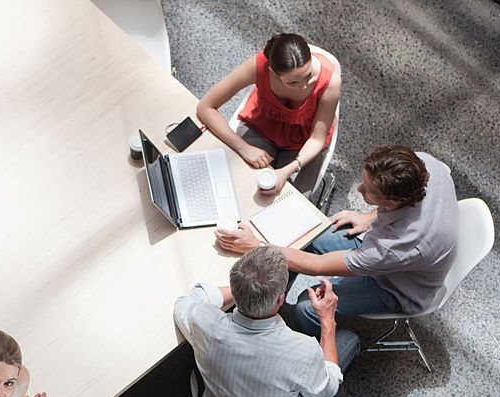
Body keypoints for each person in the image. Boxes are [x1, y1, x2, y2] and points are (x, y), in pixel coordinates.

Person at [216, 145, 459, 337]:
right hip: (388, 244)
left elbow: (318, 266)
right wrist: (370, 216)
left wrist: (256, 246)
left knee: (306, 307)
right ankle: (269, 296)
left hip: (396, 287)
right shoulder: (426, 165)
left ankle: (318, 346)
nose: (359, 190)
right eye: (363, 180)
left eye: (369, 192)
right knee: (308, 235)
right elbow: (432, 181)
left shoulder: (395, 248)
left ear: (393, 201)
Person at [173, 246, 359, 397]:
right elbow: (328, 389)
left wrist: (245, 288)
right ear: (280, 299)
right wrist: (328, 321)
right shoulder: (306, 351)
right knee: (350, 339)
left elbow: (186, 301)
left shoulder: (204, 322)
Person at [197, 33, 341, 197]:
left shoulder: (330, 81)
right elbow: (206, 107)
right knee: (236, 187)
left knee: (290, 201)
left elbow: (317, 139)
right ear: (272, 71)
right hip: (261, 126)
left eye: (308, 75)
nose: (303, 86)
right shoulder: (259, 66)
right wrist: (244, 148)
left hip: (305, 140)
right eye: (293, 82)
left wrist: (286, 171)